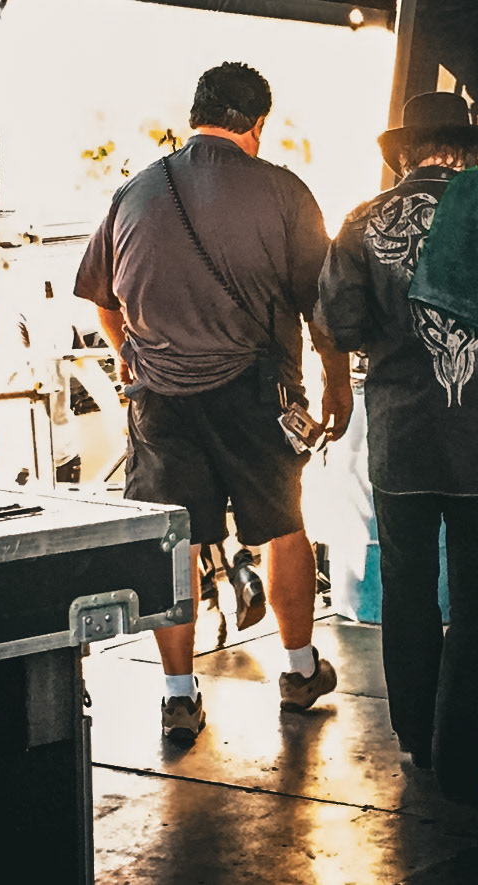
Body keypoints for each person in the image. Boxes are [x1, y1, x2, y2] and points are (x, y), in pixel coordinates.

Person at [314, 91, 478, 802]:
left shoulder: (362, 222)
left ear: (404, 153)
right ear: (466, 152)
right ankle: (462, 759)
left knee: (407, 590)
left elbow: (341, 324)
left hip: (402, 438)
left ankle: (415, 737)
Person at [74, 61, 353, 743]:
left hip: (158, 400)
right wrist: (337, 381)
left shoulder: (136, 190)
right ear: (257, 124)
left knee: (176, 540)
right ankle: (299, 670)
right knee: (284, 525)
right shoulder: (284, 192)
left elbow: (103, 300)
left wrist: (129, 352)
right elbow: (323, 307)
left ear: (195, 114)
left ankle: (178, 695)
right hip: (255, 394)